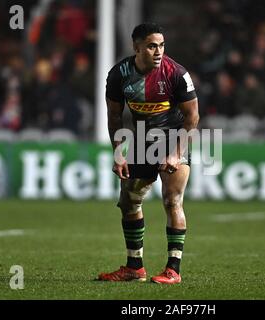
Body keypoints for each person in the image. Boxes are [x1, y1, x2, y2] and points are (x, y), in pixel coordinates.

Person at [96, 23, 199, 284]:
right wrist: (119, 153)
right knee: (129, 201)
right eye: (152, 45)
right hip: (142, 139)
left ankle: (173, 270)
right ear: (137, 47)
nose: (158, 51)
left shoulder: (176, 73)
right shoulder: (119, 74)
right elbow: (114, 116)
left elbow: (192, 118)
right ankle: (134, 268)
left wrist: (176, 153)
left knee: (171, 200)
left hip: (175, 136)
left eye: (162, 45)